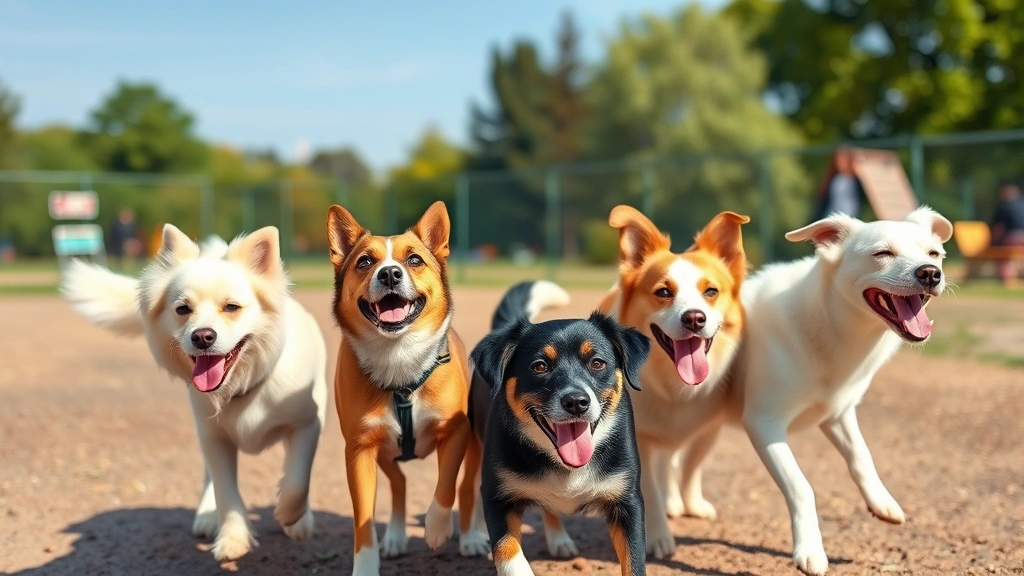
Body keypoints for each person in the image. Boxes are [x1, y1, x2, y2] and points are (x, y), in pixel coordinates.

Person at [812, 147, 865, 221]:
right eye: (838, 160)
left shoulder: (856, 181)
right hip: (831, 217)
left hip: (850, 218)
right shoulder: (834, 179)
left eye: (843, 160)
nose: (840, 163)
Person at [989, 180, 1024, 283]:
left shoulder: (1003, 206)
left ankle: (1007, 278)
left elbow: (998, 229)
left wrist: (993, 244)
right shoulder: (1022, 203)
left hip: (1013, 239)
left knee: (1002, 254)